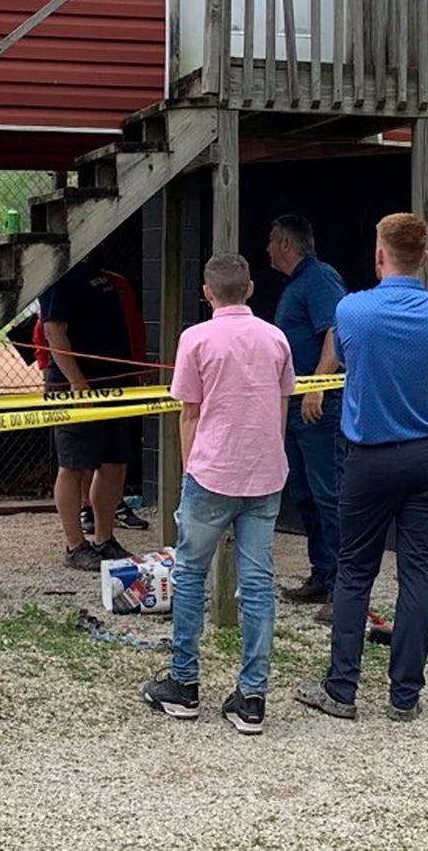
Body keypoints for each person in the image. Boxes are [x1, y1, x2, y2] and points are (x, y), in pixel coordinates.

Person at [297, 213, 428, 723]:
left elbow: (345, 359)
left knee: (355, 570)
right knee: (417, 572)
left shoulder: (353, 311)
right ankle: (404, 695)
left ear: (379, 255)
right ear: (425, 257)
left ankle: (342, 689)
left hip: (369, 457)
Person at [142, 253, 293, 735]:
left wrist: (191, 472)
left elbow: (189, 412)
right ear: (250, 289)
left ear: (207, 294)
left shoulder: (196, 339)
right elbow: (281, 407)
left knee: (189, 574)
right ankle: (252, 695)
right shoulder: (276, 339)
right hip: (265, 473)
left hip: (211, 472)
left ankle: (185, 683)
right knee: (257, 582)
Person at [265, 215, 348, 615]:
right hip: (296, 404)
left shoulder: (319, 280)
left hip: (319, 404)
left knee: (329, 491)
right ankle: (322, 575)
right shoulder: (298, 285)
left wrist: (318, 385)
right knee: (306, 493)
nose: (266, 249)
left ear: (285, 243)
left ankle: (343, 590)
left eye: (270, 242)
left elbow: (336, 331)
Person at [40, 258, 142, 570]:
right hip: (78, 386)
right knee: (74, 465)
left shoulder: (99, 273)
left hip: (113, 384)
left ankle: (104, 538)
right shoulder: (58, 278)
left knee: (114, 462)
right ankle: (75, 545)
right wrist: (76, 382)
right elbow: (53, 330)